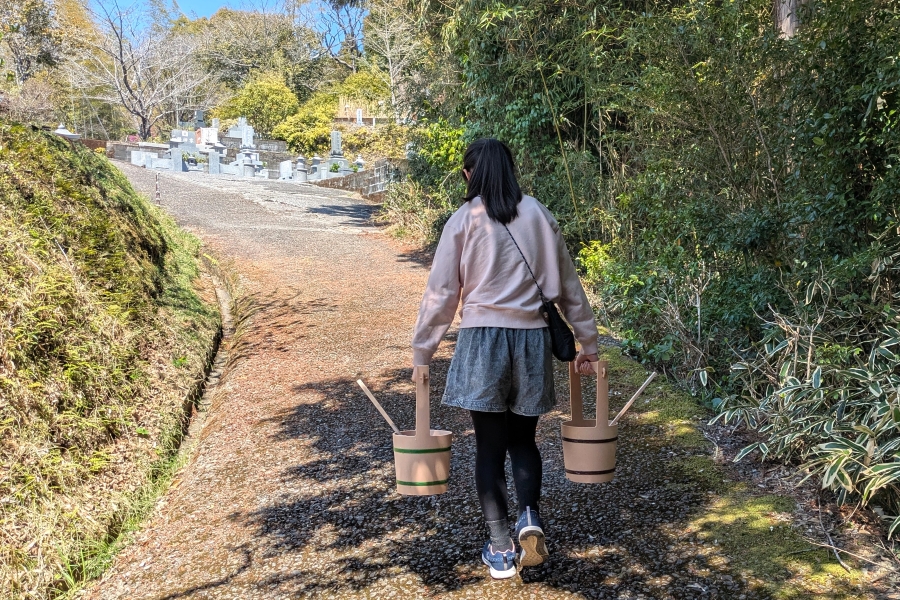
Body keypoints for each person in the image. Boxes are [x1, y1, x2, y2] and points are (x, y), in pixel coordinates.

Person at [411, 138, 600, 579]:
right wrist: (587, 343)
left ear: (468, 176)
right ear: (513, 172)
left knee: (489, 448)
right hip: (533, 340)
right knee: (524, 441)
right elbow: (570, 288)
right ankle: (529, 517)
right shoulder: (538, 213)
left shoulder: (463, 220)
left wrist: (423, 351)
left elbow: (442, 293)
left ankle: (499, 549)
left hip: (481, 342)